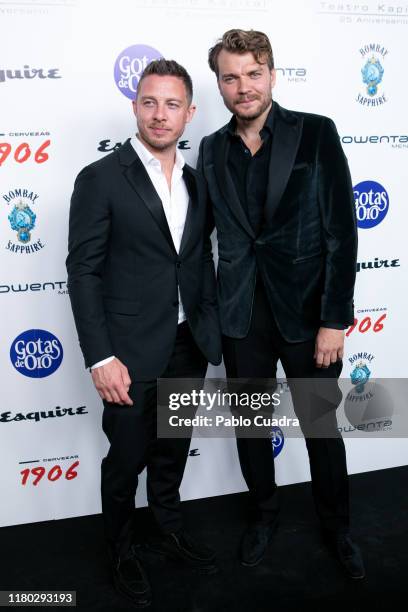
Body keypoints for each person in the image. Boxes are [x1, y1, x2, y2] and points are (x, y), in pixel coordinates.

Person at [197, 29, 365, 579]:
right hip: (242, 316)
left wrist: (334, 320)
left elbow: (342, 232)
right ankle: (263, 517)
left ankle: (338, 528)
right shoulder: (212, 148)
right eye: (230, 76)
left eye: (252, 73)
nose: (242, 87)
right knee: (251, 428)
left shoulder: (315, 134)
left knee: (321, 428)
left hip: (309, 316)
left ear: (272, 74)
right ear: (219, 84)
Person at [66, 59, 221, 607]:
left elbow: (196, 257)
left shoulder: (199, 182)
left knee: (172, 448)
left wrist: (209, 325)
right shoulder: (101, 178)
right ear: (135, 106)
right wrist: (99, 356)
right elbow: (83, 271)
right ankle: (121, 547)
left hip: (188, 344)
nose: (161, 115)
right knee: (126, 456)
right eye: (150, 102)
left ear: (190, 113)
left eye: (172, 104)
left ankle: (168, 527)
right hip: (127, 352)